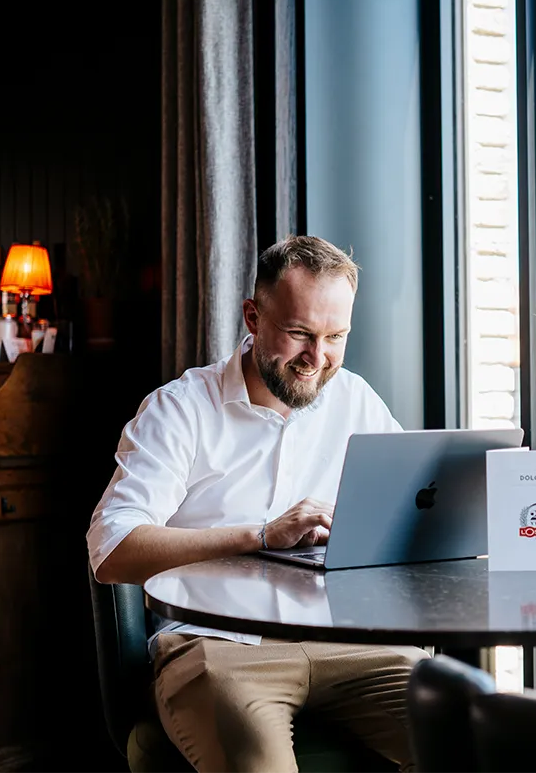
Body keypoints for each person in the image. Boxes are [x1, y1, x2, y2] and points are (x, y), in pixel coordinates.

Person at [87, 234, 426, 773]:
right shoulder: (180, 411)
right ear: (252, 316)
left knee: (462, 737)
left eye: (336, 336)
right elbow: (113, 551)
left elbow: (411, 515)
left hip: (352, 643)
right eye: (300, 334)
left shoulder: (356, 401)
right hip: (218, 647)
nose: (318, 358)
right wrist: (262, 535)